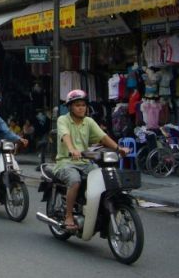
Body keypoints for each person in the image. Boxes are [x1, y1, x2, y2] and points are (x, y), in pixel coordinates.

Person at [54, 89, 128, 231]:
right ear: (70, 107)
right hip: (65, 162)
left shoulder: (89, 121)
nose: (81, 108)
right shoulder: (62, 120)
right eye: (77, 105)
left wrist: (119, 149)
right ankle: (68, 215)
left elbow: (103, 137)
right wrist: (71, 149)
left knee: (103, 179)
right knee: (75, 181)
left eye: (83, 105)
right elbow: (65, 135)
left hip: (85, 162)